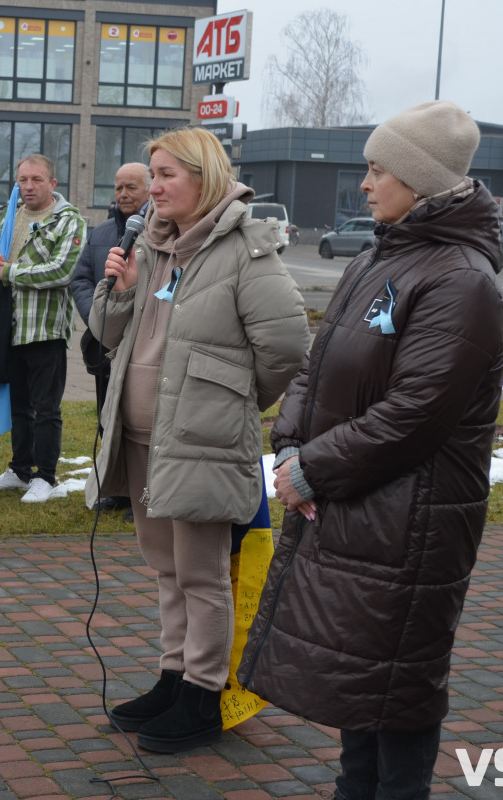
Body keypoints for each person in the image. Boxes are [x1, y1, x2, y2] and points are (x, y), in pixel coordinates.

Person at [238, 101, 503, 800]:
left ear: (419, 181)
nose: (364, 183)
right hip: (353, 505)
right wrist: (291, 442)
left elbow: (416, 415)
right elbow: (314, 363)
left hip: (412, 523)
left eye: (378, 169)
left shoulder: (461, 280)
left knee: (399, 688)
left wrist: (312, 469)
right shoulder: (377, 256)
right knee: (362, 683)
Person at [88, 127, 309, 753]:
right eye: (151, 175)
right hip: (139, 438)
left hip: (202, 441)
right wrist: (121, 291)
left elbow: (288, 347)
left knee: (203, 574)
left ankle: (204, 694)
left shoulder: (243, 246)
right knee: (167, 570)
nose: (152, 188)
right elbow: (106, 335)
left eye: (165, 176)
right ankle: (172, 676)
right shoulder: (152, 245)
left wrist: (230, 399)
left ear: (203, 177)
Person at [0, 154, 85, 503]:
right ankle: (21, 470)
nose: (28, 186)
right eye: (22, 179)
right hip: (8, 326)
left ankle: (46, 477)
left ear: (53, 183)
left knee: (46, 408)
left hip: (45, 329)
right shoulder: (7, 215)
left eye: (36, 179)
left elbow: (61, 271)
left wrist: (8, 271)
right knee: (18, 404)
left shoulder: (68, 221)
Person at [69, 161, 149, 515]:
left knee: (141, 422)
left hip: (146, 344)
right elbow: (80, 280)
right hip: (108, 346)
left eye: (131, 187)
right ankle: (117, 488)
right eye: (118, 187)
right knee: (108, 417)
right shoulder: (100, 234)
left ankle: (143, 494)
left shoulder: (161, 233)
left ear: (150, 188)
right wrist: (98, 317)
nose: (123, 194)